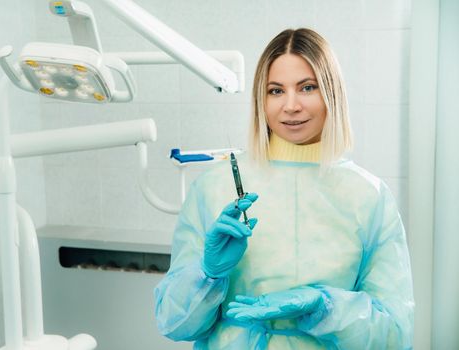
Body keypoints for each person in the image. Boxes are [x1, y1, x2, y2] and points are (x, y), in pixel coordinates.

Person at [154, 28, 414, 349]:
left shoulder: (369, 196)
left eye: (307, 88)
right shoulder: (214, 187)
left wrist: (325, 307)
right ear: (260, 101)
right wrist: (207, 274)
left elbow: (395, 335)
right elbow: (173, 323)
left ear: (332, 93)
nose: (290, 106)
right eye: (276, 91)